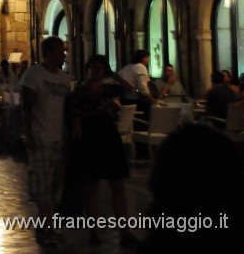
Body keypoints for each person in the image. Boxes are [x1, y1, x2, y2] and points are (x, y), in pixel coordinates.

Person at [67, 54, 136, 247]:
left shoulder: (108, 89)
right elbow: (76, 118)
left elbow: (129, 89)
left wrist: (114, 74)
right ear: (88, 68)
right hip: (90, 136)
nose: (96, 71)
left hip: (108, 134)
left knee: (117, 184)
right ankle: (94, 231)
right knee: (92, 186)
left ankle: (125, 230)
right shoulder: (79, 92)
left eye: (100, 68)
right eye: (93, 67)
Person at [20, 36, 71, 248]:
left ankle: (45, 224)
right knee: (42, 184)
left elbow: (67, 108)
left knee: (54, 185)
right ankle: (47, 227)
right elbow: (26, 105)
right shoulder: (33, 75)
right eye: (60, 52)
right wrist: (28, 133)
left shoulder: (64, 79)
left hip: (58, 137)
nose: (64, 55)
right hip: (40, 137)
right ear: (49, 53)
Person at [117, 50, 154, 117]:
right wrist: (151, 100)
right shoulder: (141, 67)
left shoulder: (126, 67)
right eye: (147, 58)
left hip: (124, 99)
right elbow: (143, 87)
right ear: (143, 58)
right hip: (135, 100)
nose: (148, 60)